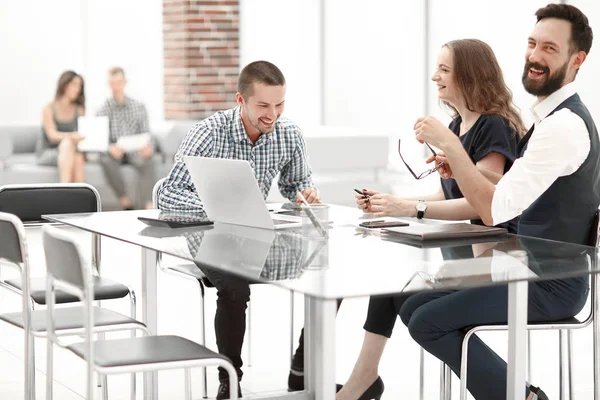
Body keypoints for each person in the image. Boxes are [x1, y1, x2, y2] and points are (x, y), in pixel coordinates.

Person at [402, 4, 598, 400]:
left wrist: (451, 145)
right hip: (527, 269)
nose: (535, 56)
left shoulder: (563, 125)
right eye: (532, 44)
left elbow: (495, 208)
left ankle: (521, 397)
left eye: (550, 48)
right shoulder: (549, 120)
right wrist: (460, 168)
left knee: (427, 322)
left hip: (549, 283)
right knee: (412, 307)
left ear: (577, 60)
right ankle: (518, 392)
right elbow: (512, 187)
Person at [337, 38, 525, 400]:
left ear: (469, 75)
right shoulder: (457, 126)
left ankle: (510, 390)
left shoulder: (494, 126)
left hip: (500, 257)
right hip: (468, 255)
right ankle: (362, 380)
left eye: (444, 69)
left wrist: (410, 210)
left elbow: (480, 205)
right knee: (391, 286)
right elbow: (448, 194)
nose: (434, 76)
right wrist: (392, 202)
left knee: (411, 305)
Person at [158, 60, 320, 399]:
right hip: (209, 235)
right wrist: (217, 210)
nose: (272, 114)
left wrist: (305, 194)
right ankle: (230, 380)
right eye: (263, 105)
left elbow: (297, 184)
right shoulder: (209, 132)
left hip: (258, 235)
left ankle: (303, 369)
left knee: (324, 269)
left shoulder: (288, 133)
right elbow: (170, 192)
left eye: (280, 104)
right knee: (234, 286)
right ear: (240, 100)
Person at [97, 67, 155, 210]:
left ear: (125, 82)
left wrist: (148, 147)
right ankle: (125, 202)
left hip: (135, 152)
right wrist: (110, 148)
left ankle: (148, 205)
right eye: (112, 83)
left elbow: (147, 134)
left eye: (119, 82)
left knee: (149, 160)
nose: (116, 87)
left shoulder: (138, 107)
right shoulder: (103, 109)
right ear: (109, 84)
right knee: (105, 160)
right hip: (116, 154)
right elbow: (100, 139)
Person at [38, 70, 86, 183]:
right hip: (49, 152)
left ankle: (79, 197)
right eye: (74, 84)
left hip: (71, 151)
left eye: (80, 86)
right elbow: (52, 135)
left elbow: (82, 134)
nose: (78, 89)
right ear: (64, 85)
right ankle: (64, 189)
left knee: (78, 156)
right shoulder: (49, 108)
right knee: (67, 144)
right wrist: (72, 137)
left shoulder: (79, 110)